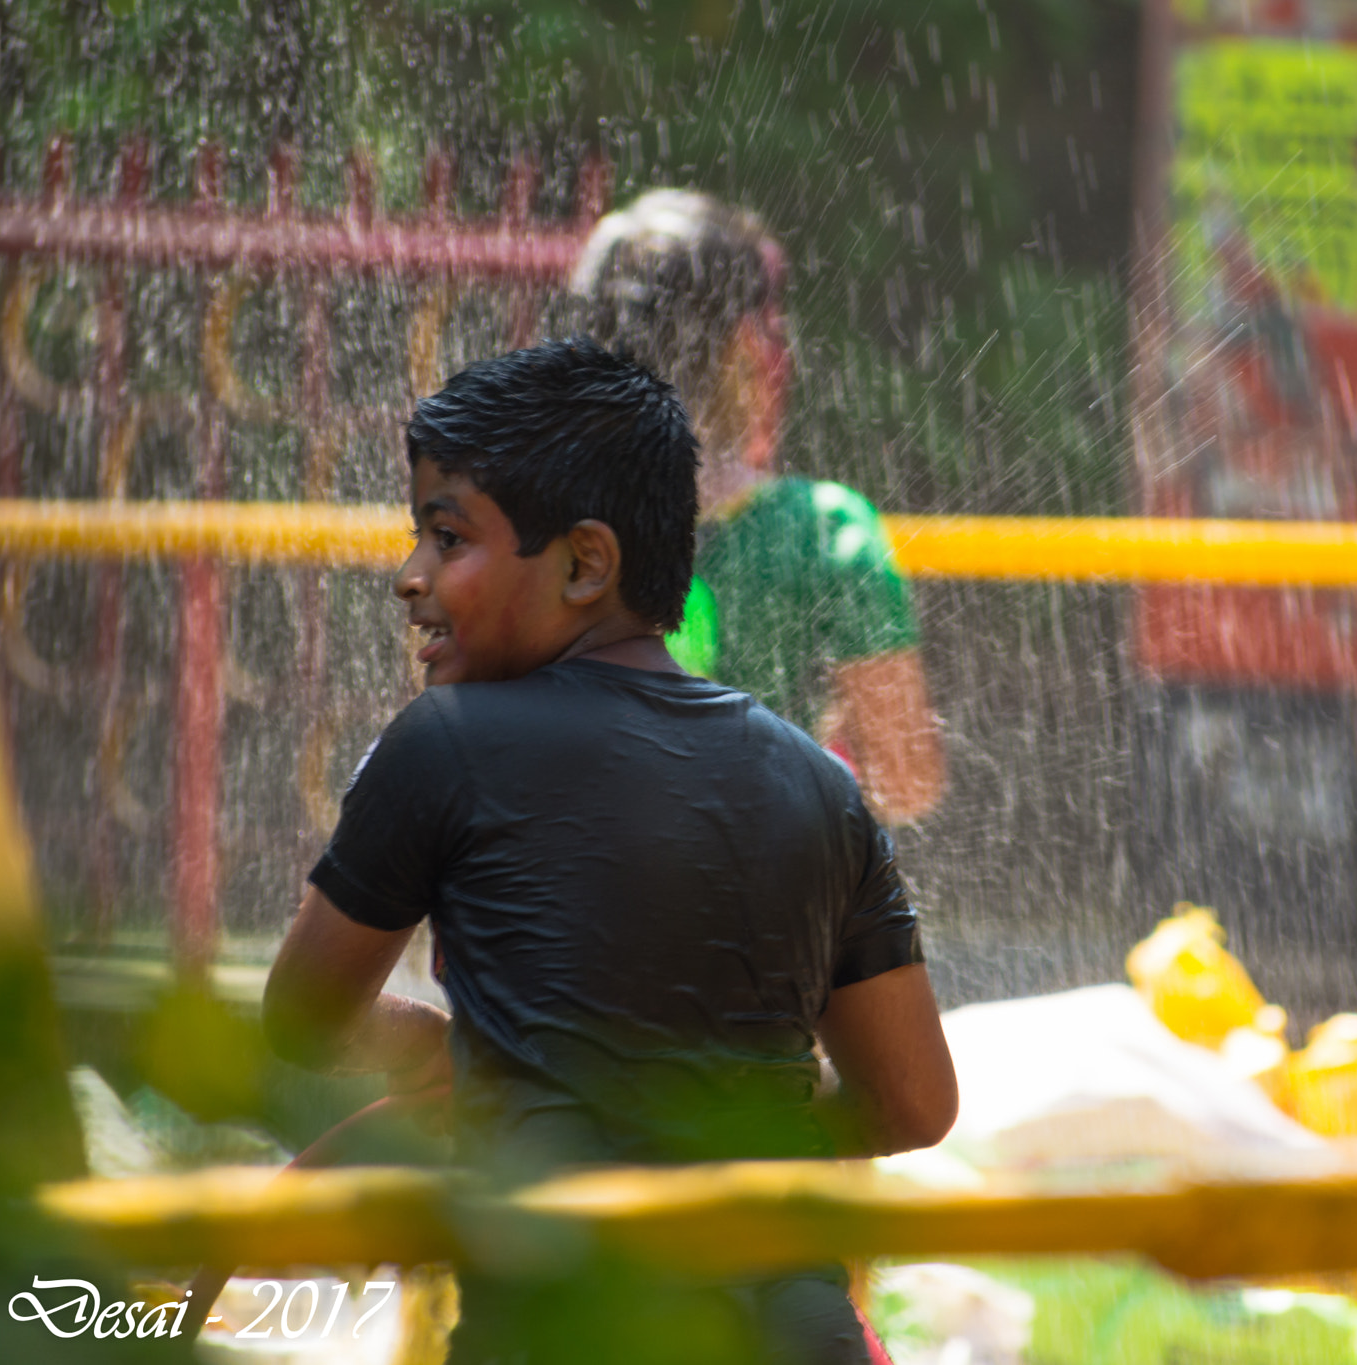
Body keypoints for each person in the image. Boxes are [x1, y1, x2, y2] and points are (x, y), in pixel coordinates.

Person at [262, 339, 958, 1364]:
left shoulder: (444, 745)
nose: (409, 577)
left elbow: (303, 1017)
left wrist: (472, 1056)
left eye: (446, 536)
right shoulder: (818, 783)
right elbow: (912, 1103)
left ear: (587, 563)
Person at [573, 189, 946, 825]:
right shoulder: (824, 534)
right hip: (749, 910)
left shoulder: (522, 518)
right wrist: (830, 752)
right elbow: (906, 784)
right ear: (744, 350)